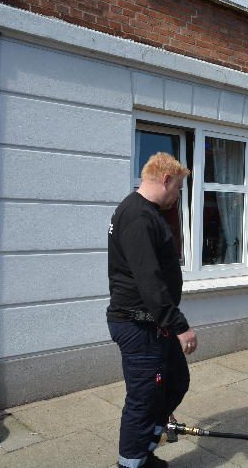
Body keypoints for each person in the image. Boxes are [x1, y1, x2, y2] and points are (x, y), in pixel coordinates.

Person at [107, 152, 196, 468]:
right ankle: (132, 463)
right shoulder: (137, 216)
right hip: (139, 325)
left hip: (155, 324)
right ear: (166, 179)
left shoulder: (147, 213)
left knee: (175, 382)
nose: (177, 196)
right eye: (178, 189)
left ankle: (144, 448)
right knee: (144, 398)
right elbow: (149, 278)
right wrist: (179, 324)